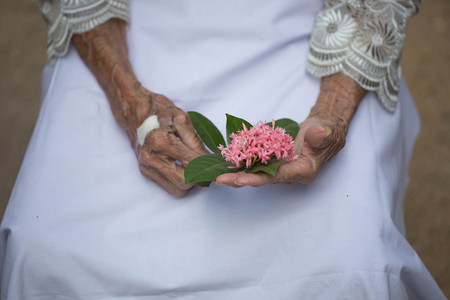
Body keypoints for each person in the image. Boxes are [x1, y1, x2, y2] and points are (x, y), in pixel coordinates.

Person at [0, 0, 445, 298]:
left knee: (352, 255)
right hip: (126, 29)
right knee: (42, 247)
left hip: (323, 36)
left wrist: (332, 111)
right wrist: (130, 99)